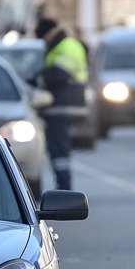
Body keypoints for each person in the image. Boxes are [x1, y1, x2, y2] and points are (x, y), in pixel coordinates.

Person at [34, 17, 89, 191]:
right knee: (57, 148)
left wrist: (37, 79)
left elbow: (58, 74)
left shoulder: (68, 46)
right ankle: (63, 186)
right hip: (61, 105)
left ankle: (64, 188)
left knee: (59, 149)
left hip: (64, 105)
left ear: (49, 33)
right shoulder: (60, 46)